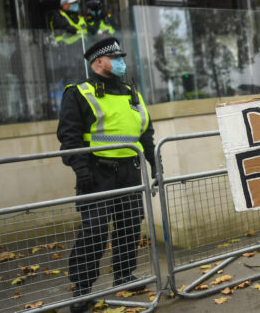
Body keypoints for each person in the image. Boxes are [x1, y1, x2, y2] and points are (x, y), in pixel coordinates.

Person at [57, 37, 157, 313]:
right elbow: (69, 136)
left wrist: (154, 163)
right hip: (96, 171)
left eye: (122, 58)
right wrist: (80, 169)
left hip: (129, 171)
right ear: (98, 61)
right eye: (116, 58)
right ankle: (82, 289)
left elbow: (145, 132)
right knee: (95, 231)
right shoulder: (78, 92)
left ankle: (124, 274)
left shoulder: (131, 93)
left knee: (129, 226)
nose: (122, 63)